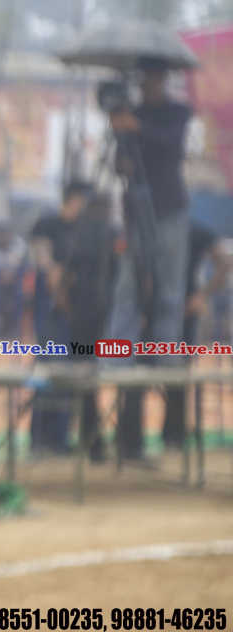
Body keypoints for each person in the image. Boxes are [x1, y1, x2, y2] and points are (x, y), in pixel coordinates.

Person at [107, 58, 193, 462]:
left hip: (170, 207)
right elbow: (119, 164)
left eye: (151, 79)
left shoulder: (177, 111)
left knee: (170, 288)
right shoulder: (132, 113)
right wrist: (121, 135)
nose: (146, 85)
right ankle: (117, 355)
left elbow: (170, 144)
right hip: (136, 208)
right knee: (127, 287)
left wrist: (135, 126)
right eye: (142, 79)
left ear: (162, 79)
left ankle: (168, 355)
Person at [29, 181, 99, 457]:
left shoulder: (85, 229)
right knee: (50, 371)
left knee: (70, 375)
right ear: (75, 199)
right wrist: (60, 294)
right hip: (52, 309)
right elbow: (49, 270)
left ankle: (59, 438)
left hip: (74, 311)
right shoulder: (47, 225)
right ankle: (40, 440)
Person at [162, 222, 230, 449]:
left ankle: (174, 433)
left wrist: (202, 295)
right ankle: (136, 438)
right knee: (144, 372)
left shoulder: (193, 231)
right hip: (154, 310)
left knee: (179, 371)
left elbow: (224, 261)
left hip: (184, 311)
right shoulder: (149, 227)